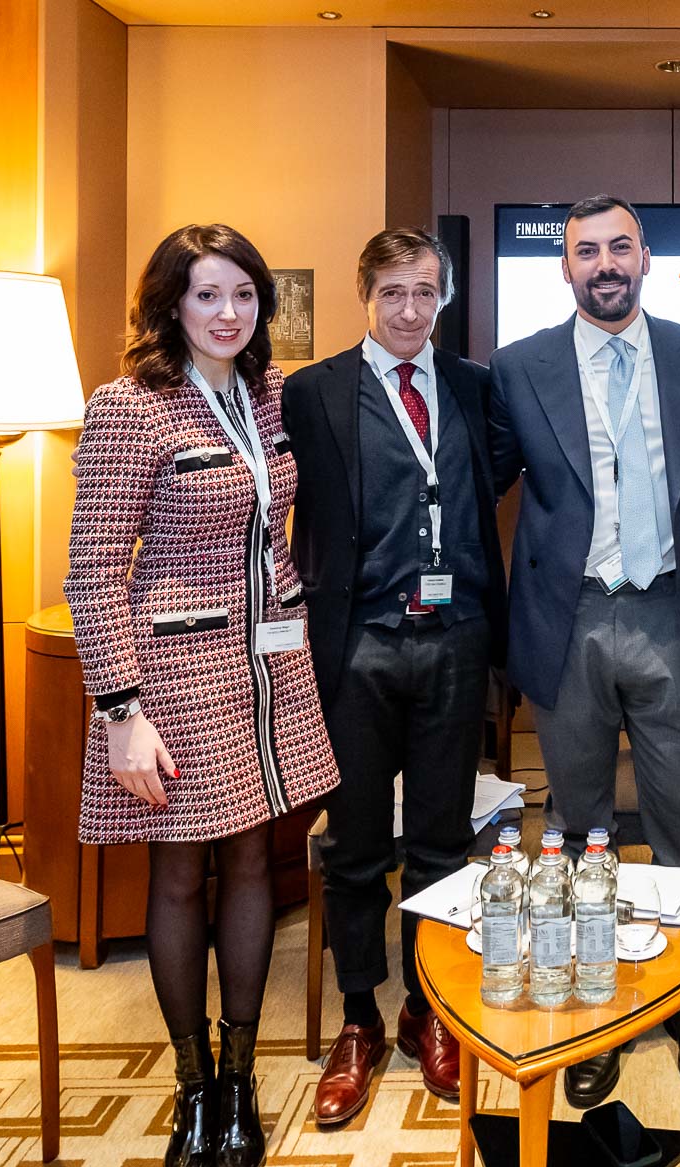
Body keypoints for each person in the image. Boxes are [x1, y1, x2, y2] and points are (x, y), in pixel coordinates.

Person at [65, 224, 339, 1167]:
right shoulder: (130, 406)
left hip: (271, 666)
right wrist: (121, 711)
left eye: (244, 295)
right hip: (173, 675)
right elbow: (94, 570)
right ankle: (192, 1088)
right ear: (171, 303)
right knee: (181, 874)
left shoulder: (270, 395)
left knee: (256, 861)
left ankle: (239, 1078)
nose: (228, 314)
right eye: (208, 295)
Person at [488, 194, 680, 1108]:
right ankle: (591, 1013)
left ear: (645, 257)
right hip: (571, 620)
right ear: (565, 267)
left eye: (619, 247)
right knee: (575, 829)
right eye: (586, 251)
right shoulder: (519, 366)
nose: (605, 265)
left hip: (671, 613)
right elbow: (475, 488)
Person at [282, 228, 506, 1119]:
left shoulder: (473, 386)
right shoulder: (313, 392)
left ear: (443, 298)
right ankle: (358, 1019)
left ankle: (428, 1008)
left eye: (425, 293)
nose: (410, 311)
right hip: (357, 647)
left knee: (444, 846)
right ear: (364, 295)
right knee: (356, 848)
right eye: (393, 293)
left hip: (454, 643)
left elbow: (493, 483)